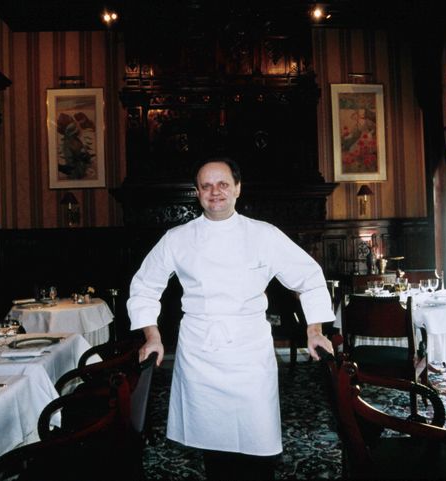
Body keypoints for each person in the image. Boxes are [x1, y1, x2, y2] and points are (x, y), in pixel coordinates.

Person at [127, 157, 335, 480]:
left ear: (238, 188)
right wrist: (152, 336)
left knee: (259, 449)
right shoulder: (177, 238)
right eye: (206, 186)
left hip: (250, 357)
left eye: (223, 184)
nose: (215, 192)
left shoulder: (263, 235)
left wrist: (315, 329)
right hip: (200, 358)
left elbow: (309, 276)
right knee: (215, 455)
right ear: (197, 193)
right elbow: (143, 286)